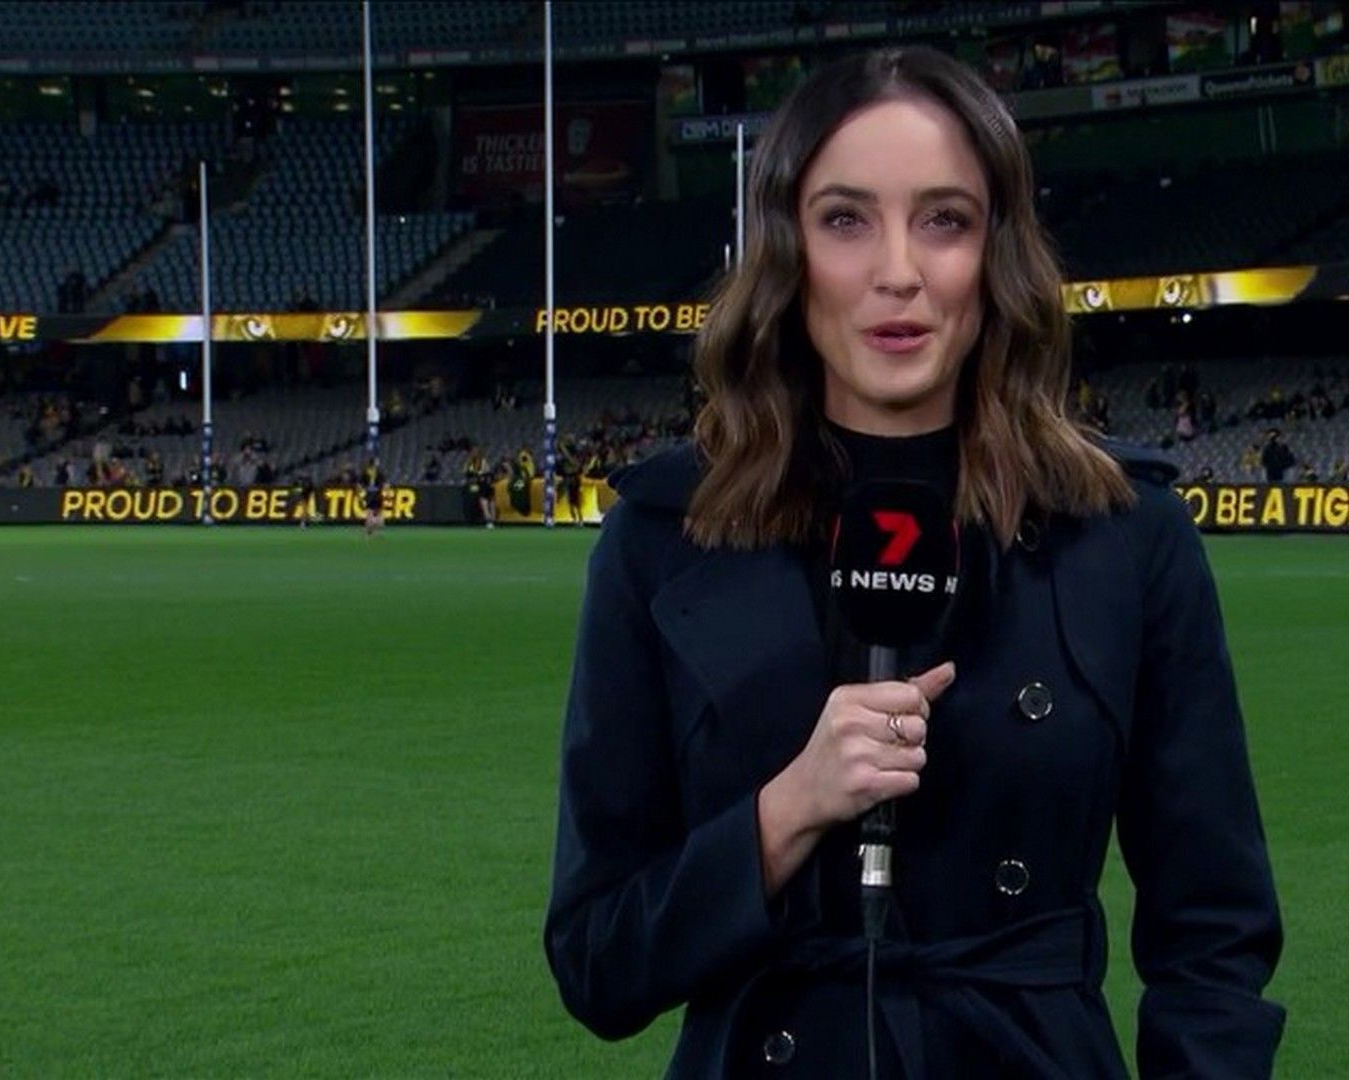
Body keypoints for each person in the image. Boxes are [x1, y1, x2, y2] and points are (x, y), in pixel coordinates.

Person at [543, 47, 1284, 1079]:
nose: (899, 271)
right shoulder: (663, 539)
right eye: (846, 219)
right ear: (789, 251)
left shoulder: (1125, 533)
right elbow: (597, 961)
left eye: (945, 219)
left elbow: (1214, 930)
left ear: (997, 253)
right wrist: (786, 811)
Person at [360, 458, 385, 538]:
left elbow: (361, 483)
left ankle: (369, 532)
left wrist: (365, 488)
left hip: (370, 494)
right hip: (376, 494)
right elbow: (382, 483)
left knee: (370, 514)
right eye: (377, 462)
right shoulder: (378, 472)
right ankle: (370, 531)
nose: (378, 463)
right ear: (374, 463)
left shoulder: (366, 471)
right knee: (377, 516)